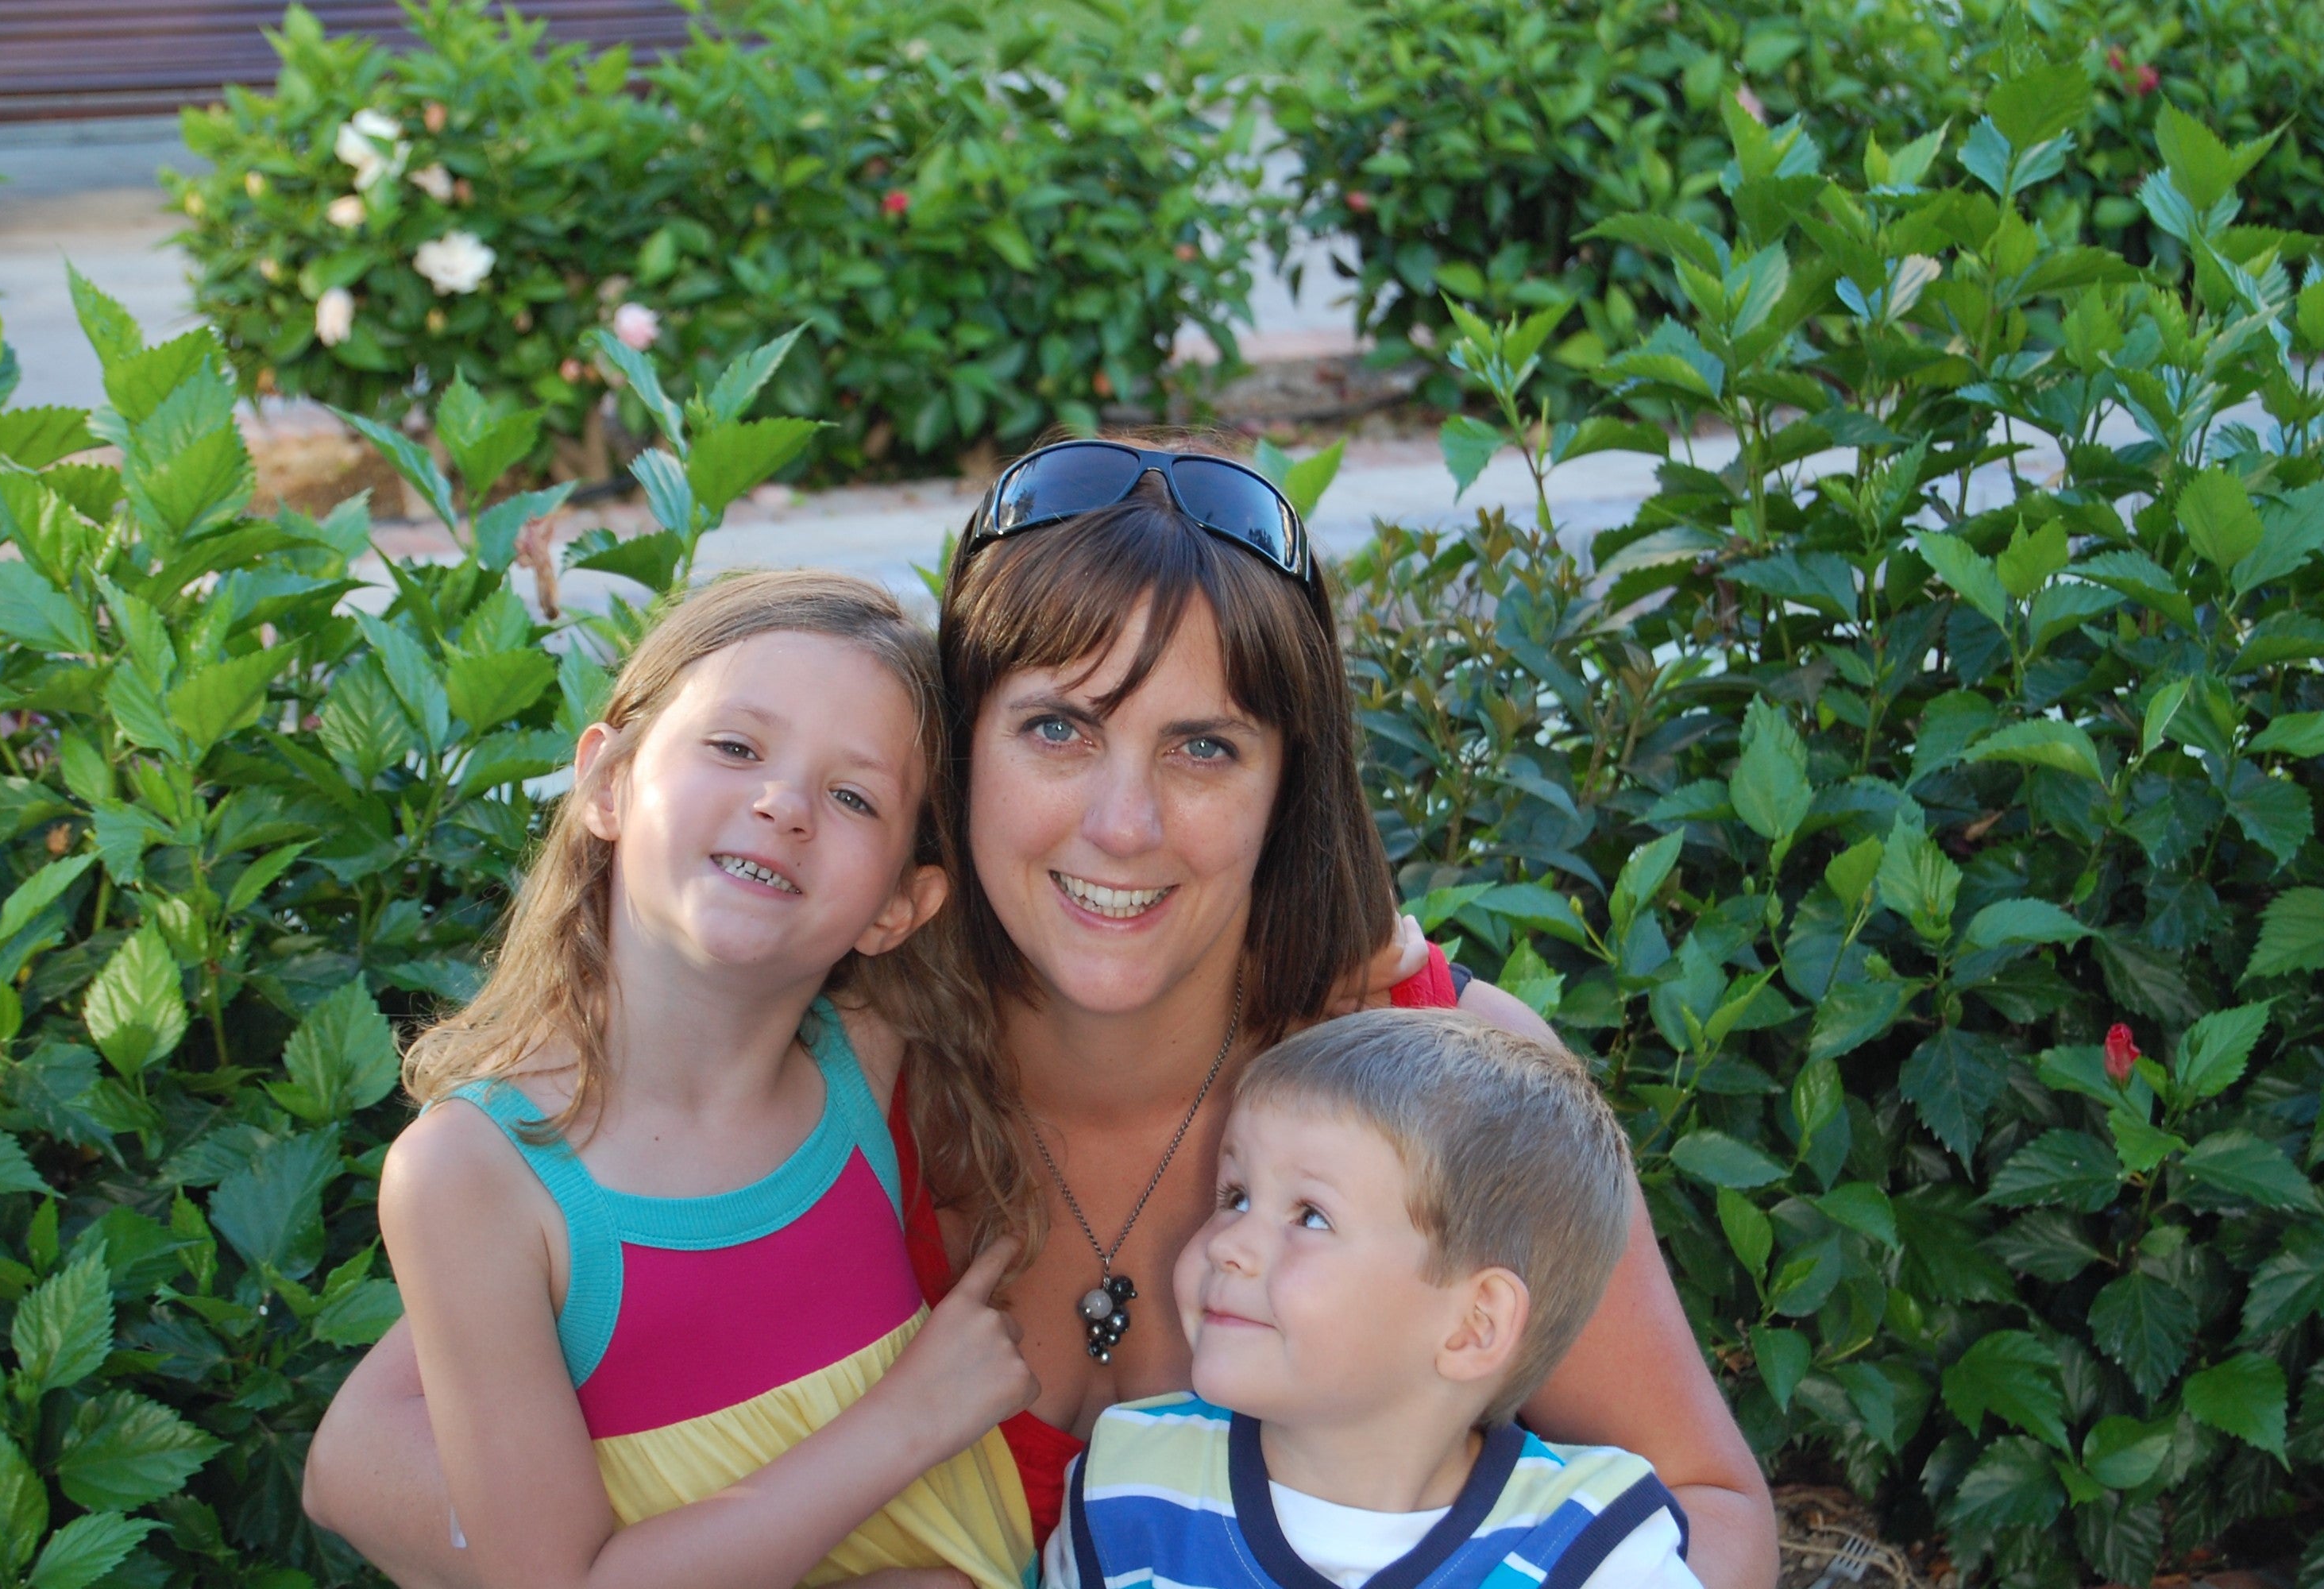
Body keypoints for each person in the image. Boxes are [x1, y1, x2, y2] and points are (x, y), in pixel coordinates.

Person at [303, 439, 1778, 1589]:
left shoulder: (1438, 1079)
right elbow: (367, 1459)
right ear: (955, 769)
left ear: (1287, 790)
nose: (1121, 823)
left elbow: (1713, 1512)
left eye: (1203, 747)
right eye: (1057, 729)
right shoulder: (826, 1065)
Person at [372, 570, 1038, 1589]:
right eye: (735, 746)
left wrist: (1357, 953)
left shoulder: (866, 1048)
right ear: (607, 784)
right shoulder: (478, 1177)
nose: (782, 804)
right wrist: (908, 1420)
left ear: (899, 906)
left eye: (853, 795)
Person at [1044, 1008, 1697, 1589]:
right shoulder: (1130, 1489)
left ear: (1473, 1326)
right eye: (1236, 1196)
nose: (1227, 1244)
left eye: (1311, 1217)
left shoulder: (1593, 1549)